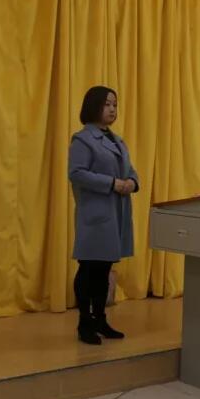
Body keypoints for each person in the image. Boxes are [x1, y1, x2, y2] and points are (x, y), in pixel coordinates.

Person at [68, 86, 139, 345]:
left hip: (115, 215)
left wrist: (132, 182)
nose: (112, 109)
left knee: (104, 269)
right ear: (93, 106)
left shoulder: (117, 140)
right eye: (107, 104)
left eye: (115, 105)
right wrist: (112, 183)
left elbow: (131, 170)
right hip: (95, 215)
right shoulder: (82, 139)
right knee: (89, 269)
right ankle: (84, 322)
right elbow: (76, 173)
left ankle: (100, 319)